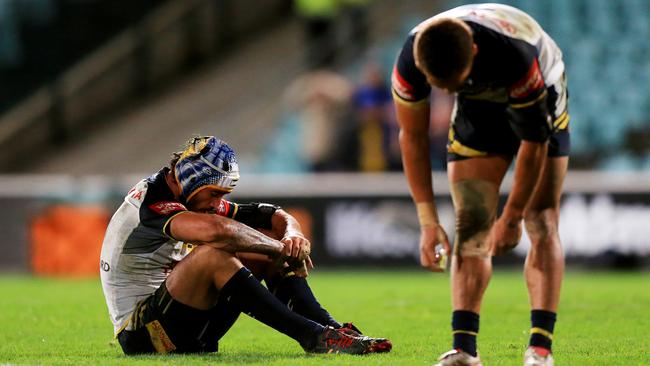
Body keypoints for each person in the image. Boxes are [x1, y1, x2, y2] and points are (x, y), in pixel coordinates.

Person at [99, 136, 392, 355]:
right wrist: (278, 248)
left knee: (258, 241)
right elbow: (217, 231)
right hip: (144, 336)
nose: (218, 203)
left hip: (185, 324)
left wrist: (292, 237)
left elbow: (272, 215)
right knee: (214, 254)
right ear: (189, 179)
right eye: (214, 193)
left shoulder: (193, 197)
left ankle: (330, 329)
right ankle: (313, 336)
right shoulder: (151, 202)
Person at [391, 4, 569, 366]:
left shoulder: (516, 57)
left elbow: (534, 144)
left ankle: (540, 349)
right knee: (470, 222)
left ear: (472, 52)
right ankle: (464, 350)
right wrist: (428, 222)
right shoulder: (411, 59)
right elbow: (412, 136)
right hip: (478, 109)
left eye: (452, 85)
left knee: (540, 218)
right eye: (442, 88)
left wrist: (513, 215)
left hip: (540, 90)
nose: (447, 91)